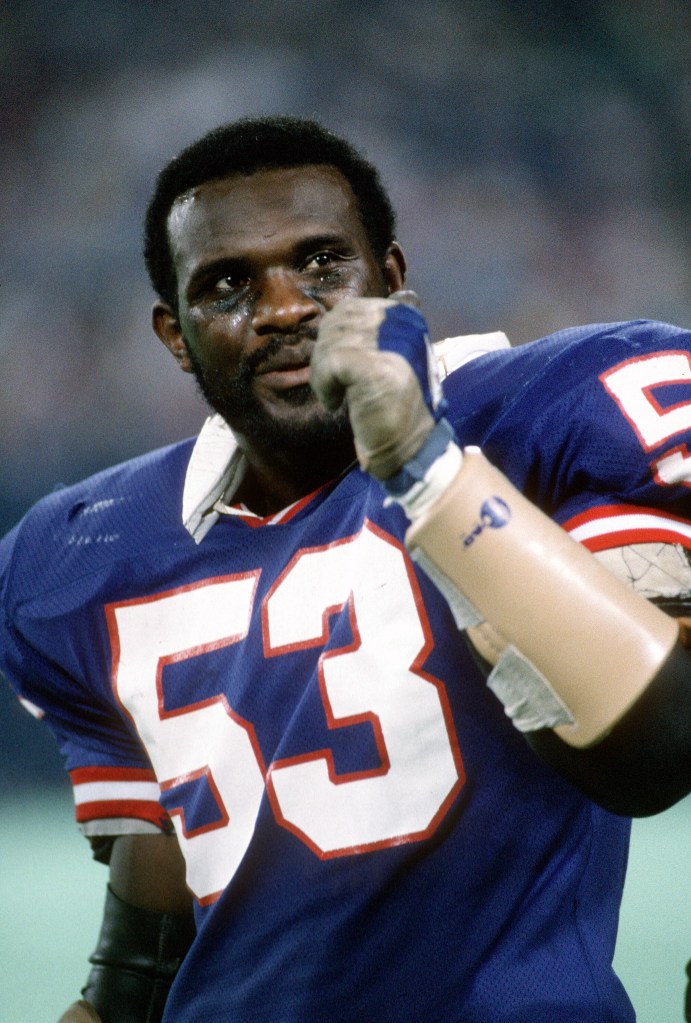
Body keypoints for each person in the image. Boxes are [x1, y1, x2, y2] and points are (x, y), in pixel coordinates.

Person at [1, 116, 689, 1023]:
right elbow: (140, 972)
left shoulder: (549, 414)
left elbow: (655, 749)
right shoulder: (83, 553)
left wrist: (423, 465)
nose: (285, 308)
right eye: (229, 285)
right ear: (174, 331)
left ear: (393, 280)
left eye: (323, 264)